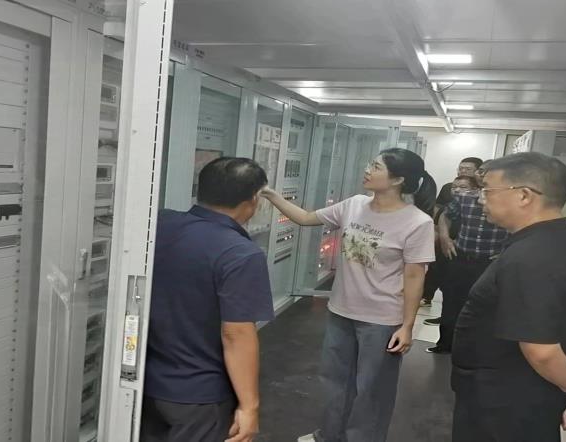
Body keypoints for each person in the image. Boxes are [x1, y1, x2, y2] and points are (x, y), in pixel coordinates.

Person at [261, 148, 436, 442]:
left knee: (372, 389)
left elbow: (414, 276)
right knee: (335, 382)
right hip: (341, 311)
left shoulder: (418, 222)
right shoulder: (354, 205)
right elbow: (305, 218)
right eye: (370, 163)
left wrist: (407, 326)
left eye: (376, 166)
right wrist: (270, 194)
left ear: (397, 180)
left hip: (382, 320)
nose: (367, 169)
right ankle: (329, 435)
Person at [450, 152, 566, 442]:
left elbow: (541, 351)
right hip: (527, 399)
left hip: (505, 405)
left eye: (488, 191)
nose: (481, 199)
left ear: (524, 195)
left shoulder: (531, 257)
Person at [142, 157, 275, 442]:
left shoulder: (160, 224)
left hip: (145, 382)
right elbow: (236, 334)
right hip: (199, 397)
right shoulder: (241, 254)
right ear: (253, 201)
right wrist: (249, 406)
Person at [426, 165, 508, 354]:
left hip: (490, 262)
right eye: (481, 171)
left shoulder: (506, 202)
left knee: (485, 306)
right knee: (451, 302)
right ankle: (445, 345)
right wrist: (445, 238)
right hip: (461, 257)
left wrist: (506, 251)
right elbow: (445, 216)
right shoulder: (465, 198)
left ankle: (475, 349)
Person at [421, 157, 483, 308]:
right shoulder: (450, 190)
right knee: (441, 274)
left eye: (468, 169)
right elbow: (441, 211)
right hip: (447, 239)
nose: (463, 171)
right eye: (461, 168)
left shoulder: (480, 196)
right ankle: (430, 299)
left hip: (470, 248)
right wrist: (442, 235)